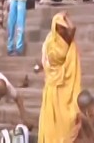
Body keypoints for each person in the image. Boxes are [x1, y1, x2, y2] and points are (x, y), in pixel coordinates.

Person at [38, 12, 81, 143]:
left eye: (63, 27)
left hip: (65, 82)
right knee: (50, 117)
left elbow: (73, 29)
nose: (63, 29)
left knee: (66, 116)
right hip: (52, 82)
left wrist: (66, 17)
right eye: (60, 27)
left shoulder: (67, 39)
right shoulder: (49, 41)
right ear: (55, 27)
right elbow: (45, 61)